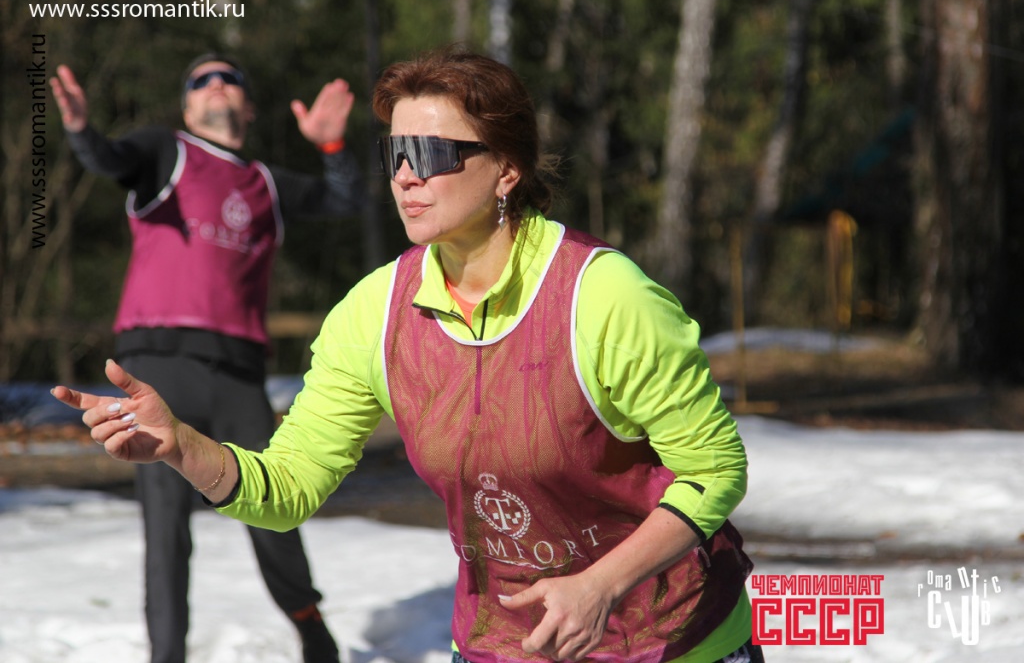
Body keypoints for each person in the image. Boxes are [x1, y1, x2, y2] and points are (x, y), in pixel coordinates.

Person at [53, 47, 762, 663]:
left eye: (430, 154)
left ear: (506, 170)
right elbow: (289, 487)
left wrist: (600, 585)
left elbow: (714, 469)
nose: (405, 176)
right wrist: (182, 447)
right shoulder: (372, 314)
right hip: (495, 645)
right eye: (394, 154)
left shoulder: (602, 295)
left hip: (673, 641)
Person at [48, 53, 362, 663]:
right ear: (188, 105)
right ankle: (167, 655)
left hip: (238, 373)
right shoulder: (165, 152)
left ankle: (310, 626)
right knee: (166, 527)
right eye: (201, 80)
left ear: (249, 106)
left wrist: (331, 146)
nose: (216, 84)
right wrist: (82, 130)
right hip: (156, 366)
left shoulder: (267, 182)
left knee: (271, 503)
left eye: (230, 78)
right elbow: (108, 159)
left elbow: (346, 198)